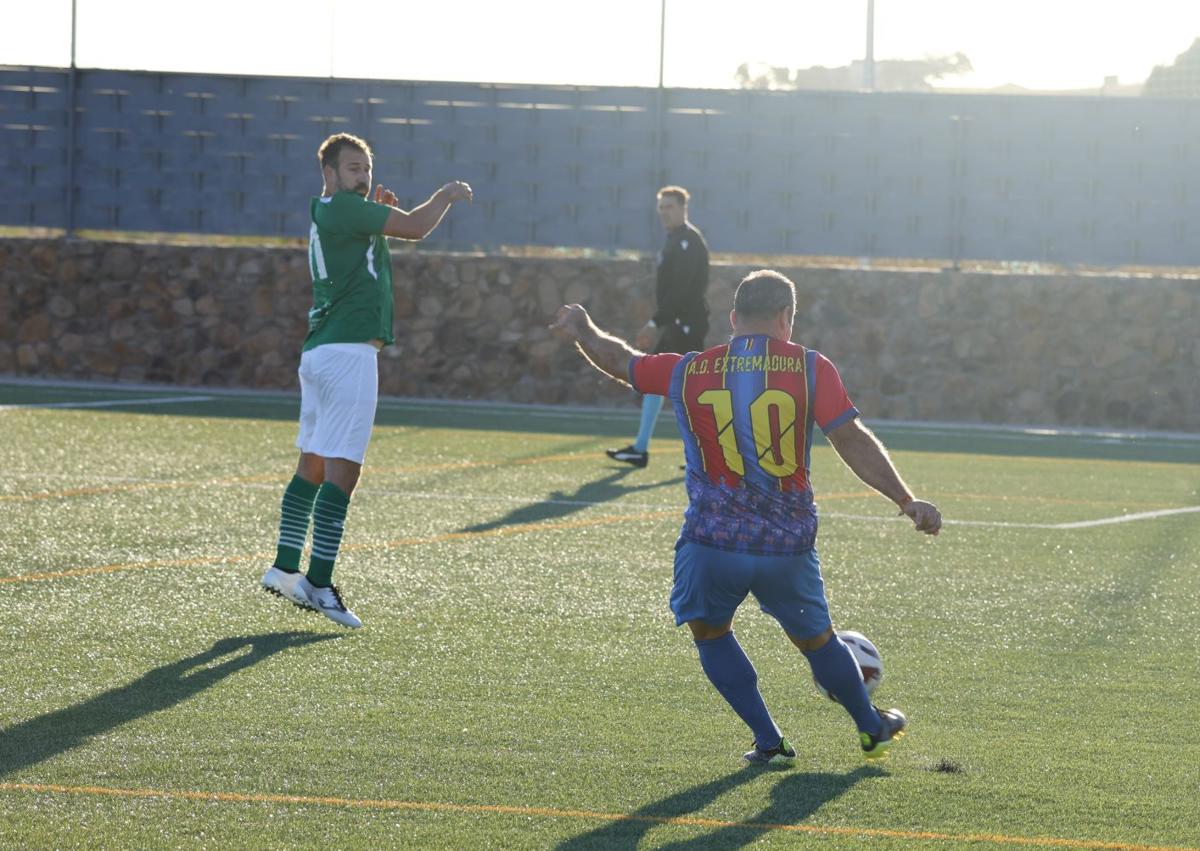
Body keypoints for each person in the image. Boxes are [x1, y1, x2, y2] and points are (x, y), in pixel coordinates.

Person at [552, 269, 941, 764]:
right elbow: (850, 437)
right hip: (786, 547)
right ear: (786, 318)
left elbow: (622, 363)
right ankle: (870, 726)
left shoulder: (689, 371)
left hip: (712, 541)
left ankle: (768, 739)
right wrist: (906, 501)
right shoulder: (811, 368)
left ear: (733, 319)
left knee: (710, 633)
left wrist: (584, 330)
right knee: (817, 640)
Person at [260, 132, 472, 628]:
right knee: (344, 471)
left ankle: (284, 568)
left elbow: (365, 259)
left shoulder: (335, 212)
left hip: (321, 350)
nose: (363, 177)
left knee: (312, 461)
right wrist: (444, 195)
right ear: (329, 173)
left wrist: (376, 217)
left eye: (366, 169)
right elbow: (418, 227)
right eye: (353, 168)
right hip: (348, 353)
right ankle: (318, 581)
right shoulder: (345, 209)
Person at [607, 186, 709, 469]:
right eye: (661, 207)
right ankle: (641, 448)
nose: (665, 212)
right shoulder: (674, 240)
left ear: (683, 208)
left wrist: (654, 323)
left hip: (686, 324)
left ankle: (705, 455)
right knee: (656, 380)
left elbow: (682, 291)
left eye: (670, 207)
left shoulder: (689, 241)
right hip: (675, 323)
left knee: (691, 390)